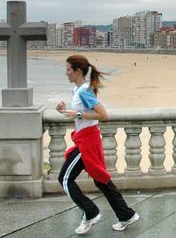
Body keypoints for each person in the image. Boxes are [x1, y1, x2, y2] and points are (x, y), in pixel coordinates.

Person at [56, 55, 139, 235]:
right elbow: (80, 112)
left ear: (78, 71)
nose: (66, 73)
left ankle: (91, 213)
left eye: (68, 69)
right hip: (85, 138)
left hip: (87, 142)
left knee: (64, 178)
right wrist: (63, 110)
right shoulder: (78, 90)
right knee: (101, 179)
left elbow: (104, 115)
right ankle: (126, 215)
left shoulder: (84, 91)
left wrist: (76, 115)